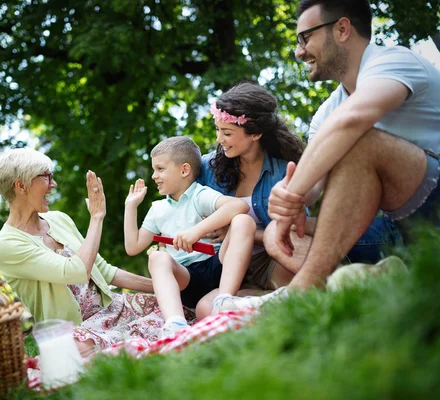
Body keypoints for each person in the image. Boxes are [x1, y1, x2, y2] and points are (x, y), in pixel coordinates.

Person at [266, 0, 440, 290]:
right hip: (393, 226)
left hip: (432, 207)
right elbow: (313, 187)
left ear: (342, 29)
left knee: (360, 142)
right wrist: (285, 201)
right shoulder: (327, 113)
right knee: (276, 232)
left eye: (305, 38)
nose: (299, 52)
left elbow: (353, 121)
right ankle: (354, 289)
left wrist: (292, 192)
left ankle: (302, 291)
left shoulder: (395, 61)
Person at [195, 81, 400, 314]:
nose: (219, 139)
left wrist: (246, 233)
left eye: (227, 132)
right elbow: (177, 175)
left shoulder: (285, 171)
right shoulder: (209, 167)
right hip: (231, 267)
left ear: (256, 133)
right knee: (205, 310)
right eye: (218, 130)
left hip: (275, 260)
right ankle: (273, 300)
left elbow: (292, 234)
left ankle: (353, 286)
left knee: (285, 251)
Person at [0, 148, 162, 353]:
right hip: (77, 331)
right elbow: (74, 271)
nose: (53, 184)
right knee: (74, 348)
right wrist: (96, 218)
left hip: (114, 309)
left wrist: (162, 286)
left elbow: (104, 271)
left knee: (174, 307)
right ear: (21, 185)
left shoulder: (59, 219)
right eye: (45, 176)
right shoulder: (6, 244)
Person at [124, 136, 257, 336]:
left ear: (184, 170)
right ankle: (175, 325)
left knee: (243, 221)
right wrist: (130, 206)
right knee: (157, 257)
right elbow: (133, 247)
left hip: (218, 266)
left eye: (160, 169)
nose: (153, 176)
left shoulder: (199, 194)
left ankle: (224, 300)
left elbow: (240, 206)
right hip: (186, 278)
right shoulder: (157, 209)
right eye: (154, 170)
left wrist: (196, 231)